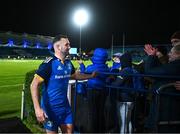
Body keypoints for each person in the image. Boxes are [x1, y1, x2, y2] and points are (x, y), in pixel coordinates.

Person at [30, 34, 97, 134]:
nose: (69, 47)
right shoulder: (49, 64)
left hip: (65, 109)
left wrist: (90, 76)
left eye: (69, 44)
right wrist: (37, 109)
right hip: (50, 110)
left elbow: (75, 76)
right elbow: (34, 84)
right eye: (67, 45)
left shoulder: (68, 63)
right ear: (58, 47)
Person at [77, 48, 110, 133]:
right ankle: (101, 130)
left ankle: (93, 130)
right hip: (103, 91)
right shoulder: (106, 68)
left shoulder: (91, 68)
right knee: (101, 111)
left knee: (92, 112)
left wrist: (81, 65)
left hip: (92, 91)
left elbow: (84, 74)